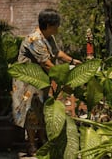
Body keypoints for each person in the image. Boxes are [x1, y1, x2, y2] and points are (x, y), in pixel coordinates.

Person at [11, 8, 81, 156]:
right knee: (31, 112)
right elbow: (46, 63)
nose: (58, 27)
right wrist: (63, 80)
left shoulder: (48, 37)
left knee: (42, 111)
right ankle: (31, 145)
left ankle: (42, 140)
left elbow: (57, 53)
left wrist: (73, 61)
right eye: (57, 25)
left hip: (41, 82)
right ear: (49, 25)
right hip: (28, 83)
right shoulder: (34, 39)